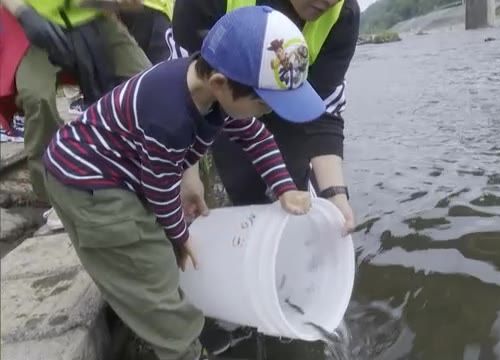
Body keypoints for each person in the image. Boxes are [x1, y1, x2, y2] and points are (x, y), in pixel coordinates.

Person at [42, 5, 325, 359]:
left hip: (115, 168)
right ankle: (184, 350)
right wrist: (180, 236)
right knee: (151, 268)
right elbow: (161, 190)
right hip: (87, 182)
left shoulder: (212, 92)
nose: (268, 113)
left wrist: (284, 187)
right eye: (265, 104)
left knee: (154, 255)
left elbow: (258, 138)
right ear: (221, 84)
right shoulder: (168, 114)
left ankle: (147, 321)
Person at [172, 0, 359, 233]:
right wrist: (187, 171)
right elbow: (186, 91)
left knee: (299, 204)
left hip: (293, 107)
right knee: (244, 191)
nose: (330, 2)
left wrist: (334, 194)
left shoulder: (343, 15)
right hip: (228, 106)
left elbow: (322, 112)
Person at [1, 0, 151, 230]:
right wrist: (22, 12)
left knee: (147, 79)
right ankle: (55, 197)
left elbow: (133, 5)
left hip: (91, 14)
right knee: (37, 96)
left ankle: (154, 174)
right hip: (32, 23)